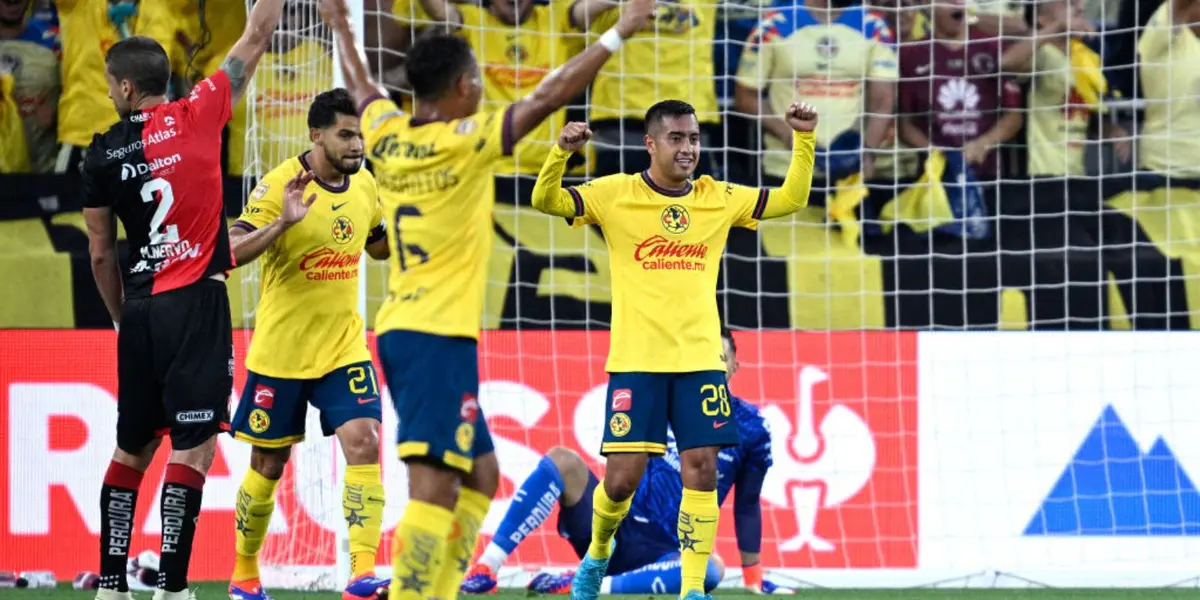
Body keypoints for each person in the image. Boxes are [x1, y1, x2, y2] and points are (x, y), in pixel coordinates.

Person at [318, 0, 653, 596]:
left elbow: (365, 84)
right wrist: (620, 32)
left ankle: (440, 589)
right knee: (433, 485)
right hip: (432, 338)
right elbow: (547, 97)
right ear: (460, 86)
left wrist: (340, 24)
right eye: (473, 80)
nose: (479, 88)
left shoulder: (386, 133)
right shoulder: (466, 143)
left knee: (482, 474)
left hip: (417, 329)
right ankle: (415, 592)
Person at [529, 98, 817, 600]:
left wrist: (805, 137)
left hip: (700, 361)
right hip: (637, 363)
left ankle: (690, 590)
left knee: (701, 469)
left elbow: (791, 198)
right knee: (619, 482)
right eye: (677, 138)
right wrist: (560, 154)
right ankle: (597, 555)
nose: (688, 149)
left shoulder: (718, 197)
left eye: (694, 139)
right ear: (651, 144)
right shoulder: (614, 193)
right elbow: (546, 202)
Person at [79, 0, 289, 595]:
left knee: (131, 450)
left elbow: (99, 252)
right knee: (192, 450)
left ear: (125, 87)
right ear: (162, 82)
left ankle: (113, 584)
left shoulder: (100, 152)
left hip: (141, 310)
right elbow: (259, 31)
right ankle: (172, 586)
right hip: (195, 303)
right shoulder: (201, 111)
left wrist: (123, 318)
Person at [462, 327, 794, 596]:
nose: (714, 366)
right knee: (562, 461)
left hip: (668, 554)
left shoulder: (751, 427)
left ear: (735, 366)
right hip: (611, 527)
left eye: (722, 359)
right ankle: (487, 568)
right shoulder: (658, 400)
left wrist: (754, 577)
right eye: (706, 358)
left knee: (711, 569)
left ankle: (586, 584)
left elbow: (747, 504)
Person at [225, 88, 391, 600]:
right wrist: (283, 223)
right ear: (316, 135)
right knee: (268, 466)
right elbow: (230, 249)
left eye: (360, 133)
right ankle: (244, 574)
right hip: (282, 352)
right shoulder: (280, 185)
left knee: (364, 441)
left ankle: (361, 574)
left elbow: (379, 246)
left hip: (343, 347)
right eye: (345, 134)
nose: (357, 144)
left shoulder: (365, 183)